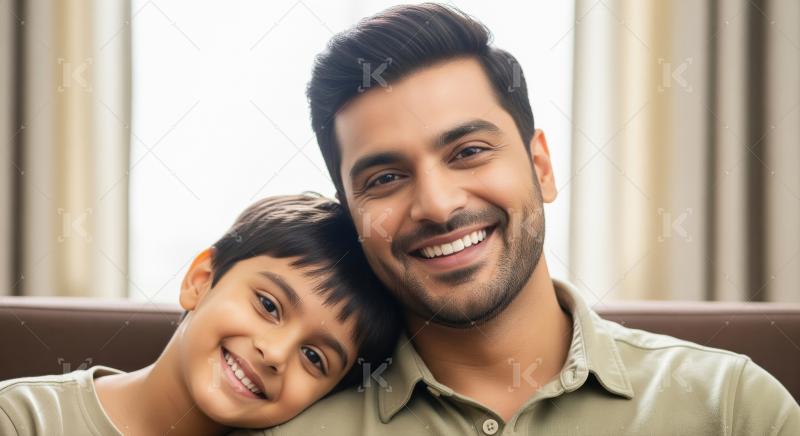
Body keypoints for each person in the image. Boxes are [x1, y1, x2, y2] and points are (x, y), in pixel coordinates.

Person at [234, 3, 800, 435]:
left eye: (469, 151)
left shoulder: (732, 407)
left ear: (541, 167)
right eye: (385, 179)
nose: (436, 204)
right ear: (354, 219)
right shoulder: (289, 426)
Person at [0, 194, 402, 435]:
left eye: (314, 358)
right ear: (201, 279)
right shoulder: (22, 419)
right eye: (268, 305)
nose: (276, 354)